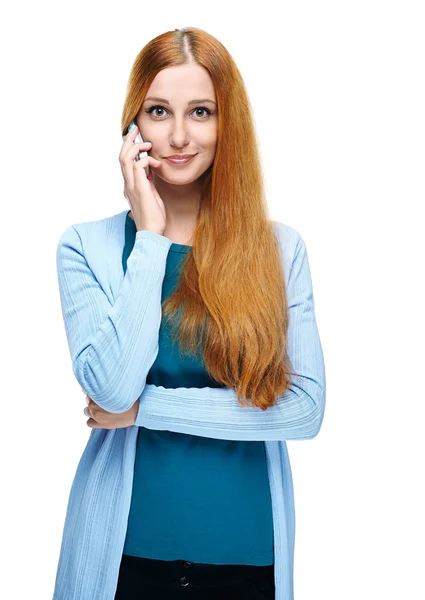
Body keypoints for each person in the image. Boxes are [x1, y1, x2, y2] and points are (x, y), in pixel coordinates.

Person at [53, 27, 326, 600]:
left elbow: (303, 412)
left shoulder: (279, 251)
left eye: (200, 111)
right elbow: (110, 385)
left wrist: (142, 412)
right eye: (159, 111)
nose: (179, 135)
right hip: (124, 559)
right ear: (133, 126)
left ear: (227, 125)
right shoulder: (87, 247)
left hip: (247, 560)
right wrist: (150, 239)